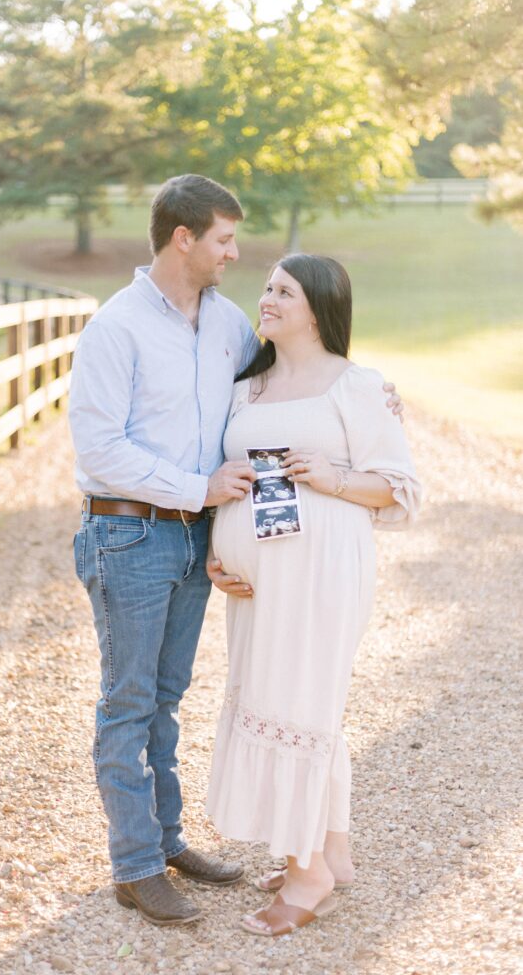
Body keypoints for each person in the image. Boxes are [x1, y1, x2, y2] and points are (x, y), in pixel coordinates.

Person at [68, 175, 403, 927]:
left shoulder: (225, 327)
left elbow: (305, 392)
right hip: (128, 529)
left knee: (165, 698)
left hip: (196, 540)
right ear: (183, 238)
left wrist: (221, 534)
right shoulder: (115, 326)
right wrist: (199, 492)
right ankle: (135, 865)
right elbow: (98, 447)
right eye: (223, 239)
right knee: (127, 700)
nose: (235, 255)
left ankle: (167, 839)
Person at [204, 253, 421, 937]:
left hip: (323, 568)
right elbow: (228, 480)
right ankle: (331, 848)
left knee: (300, 701)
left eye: (283, 292)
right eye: (265, 288)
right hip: (254, 581)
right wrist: (217, 551)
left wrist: (331, 477)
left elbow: (399, 489)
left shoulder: (356, 387)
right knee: (277, 699)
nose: (265, 300)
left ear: (319, 307)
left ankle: (308, 877)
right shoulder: (248, 387)